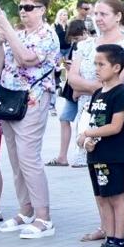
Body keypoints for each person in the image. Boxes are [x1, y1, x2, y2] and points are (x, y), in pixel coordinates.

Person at [67, 0, 124, 241]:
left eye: (104, 13)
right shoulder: (87, 46)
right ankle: (105, 226)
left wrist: (90, 88)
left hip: (116, 115)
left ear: (118, 16)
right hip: (90, 113)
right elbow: (72, 79)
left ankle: (118, 232)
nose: (98, 18)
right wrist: (94, 89)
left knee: (117, 174)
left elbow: (116, 84)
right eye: (96, 14)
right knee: (97, 172)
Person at [0, 0, 61, 239]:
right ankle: (25, 210)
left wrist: (8, 32)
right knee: (14, 158)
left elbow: (26, 59)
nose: (23, 11)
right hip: (9, 99)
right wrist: (0, 43)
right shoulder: (16, 33)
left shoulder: (48, 35)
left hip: (33, 100)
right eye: (20, 7)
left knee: (28, 157)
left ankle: (44, 217)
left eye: (29, 7)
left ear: (42, 10)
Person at [77, 44, 124, 247]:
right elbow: (93, 119)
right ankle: (109, 240)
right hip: (96, 153)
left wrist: (88, 132)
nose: (96, 69)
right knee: (101, 198)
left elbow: (115, 126)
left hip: (113, 154)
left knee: (116, 199)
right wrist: (88, 140)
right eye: (95, 64)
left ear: (117, 67)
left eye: (101, 64)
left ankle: (119, 242)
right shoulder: (99, 92)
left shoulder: (120, 94)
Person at [47, 20, 88, 167]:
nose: (75, 42)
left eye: (76, 38)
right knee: (64, 118)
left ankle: (83, 155)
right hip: (72, 88)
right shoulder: (76, 46)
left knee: (84, 122)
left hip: (83, 88)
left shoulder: (90, 46)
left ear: (85, 32)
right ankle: (63, 156)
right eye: (73, 39)